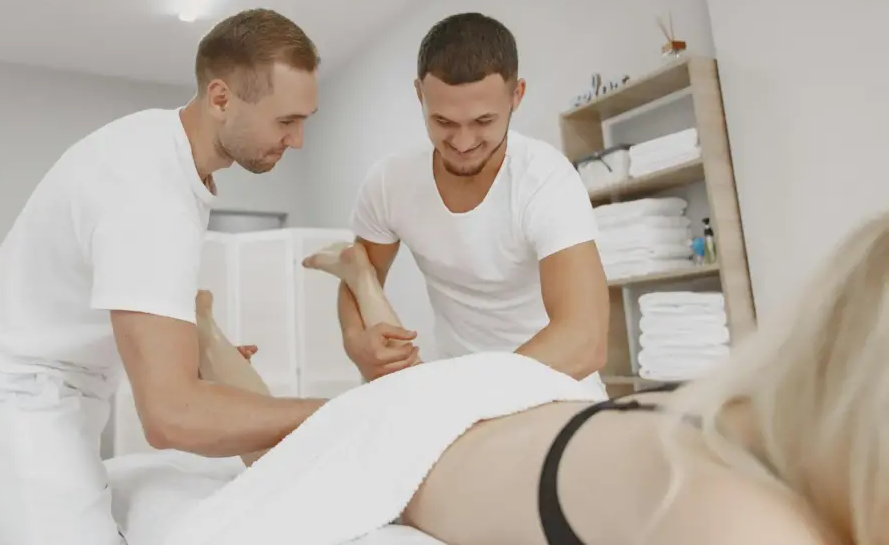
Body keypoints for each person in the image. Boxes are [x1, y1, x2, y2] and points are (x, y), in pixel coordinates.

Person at [0, 8, 329, 545]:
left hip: (65, 388)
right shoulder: (149, 194)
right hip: (14, 395)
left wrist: (197, 344)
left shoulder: (168, 153)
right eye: (287, 121)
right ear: (220, 98)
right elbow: (170, 418)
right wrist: (338, 413)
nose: (299, 140)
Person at [294, 214, 888, 544]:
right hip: (422, 447)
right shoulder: (748, 519)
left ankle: (362, 279)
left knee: (409, 383)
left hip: (512, 414)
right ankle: (213, 334)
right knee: (283, 453)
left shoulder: (771, 427)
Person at [338, 12, 610, 387]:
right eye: (444, 123)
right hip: (463, 393)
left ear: (517, 95)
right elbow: (360, 274)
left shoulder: (545, 179)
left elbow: (584, 340)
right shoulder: (389, 183)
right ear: (419, 95)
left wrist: (470, 394)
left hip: (557, 382)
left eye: (483, 122)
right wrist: (356, 341)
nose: (463, 143)